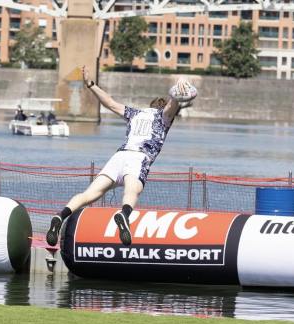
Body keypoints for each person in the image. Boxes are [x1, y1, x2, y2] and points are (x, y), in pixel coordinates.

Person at [46, 65, 193, 247]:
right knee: (132, 191)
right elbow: (173, 105)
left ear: (151, 105)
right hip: (138, 158)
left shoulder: (135, 113)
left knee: (89, 194)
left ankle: (60, 216)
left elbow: (110, 103)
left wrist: (90, 84)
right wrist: (178, 89)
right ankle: (123, 215)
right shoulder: (163, 118)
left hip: (118, 157)